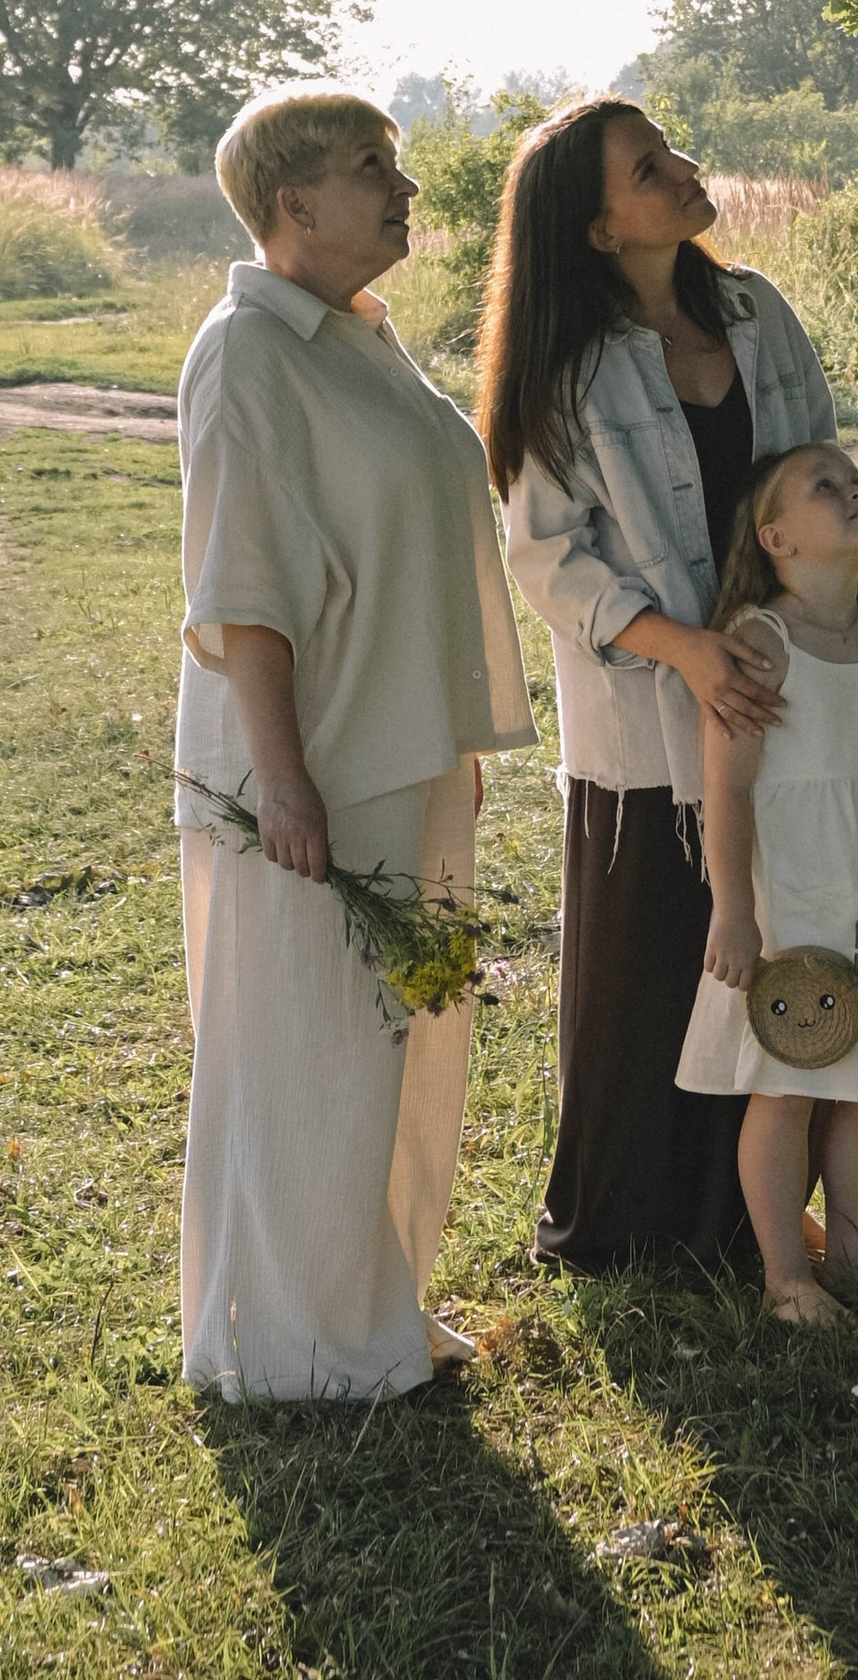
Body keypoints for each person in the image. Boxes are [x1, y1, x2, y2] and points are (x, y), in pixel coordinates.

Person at [174, 87, 535, 1401]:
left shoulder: (354, 337)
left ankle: (375, 1307)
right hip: (313, 766)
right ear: (294, 205)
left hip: (406, 751)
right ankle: (296, 1345)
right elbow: (243, 587)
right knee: (308, 1053)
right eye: (371, 168)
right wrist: (283, 780)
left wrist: (451, 727)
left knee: (401, 1038)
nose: (407, 188)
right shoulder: (247, 350)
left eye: (398, 162)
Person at [482, 96, 839, 1272]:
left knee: (780, 952)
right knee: (658, 970)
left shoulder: (757, 314)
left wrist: (809, 623)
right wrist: (683, 651)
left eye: (673, 147)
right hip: (647, 720)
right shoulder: (570, 368)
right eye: (650, 167)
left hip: (780, 691)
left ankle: (759, 1218)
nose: (684, 170)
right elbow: (545, 554)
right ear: (596, 230)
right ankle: (632, 1230)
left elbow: (819, 475)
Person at [680, 441, 858, 1323]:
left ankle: (857, 1254)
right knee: (788, 1084)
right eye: (826, 487)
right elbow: (728, 783)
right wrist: (733, 908)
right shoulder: (763, 640)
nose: (854, 493)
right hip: (795, 899)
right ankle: (786, 1277)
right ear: (777, 537)